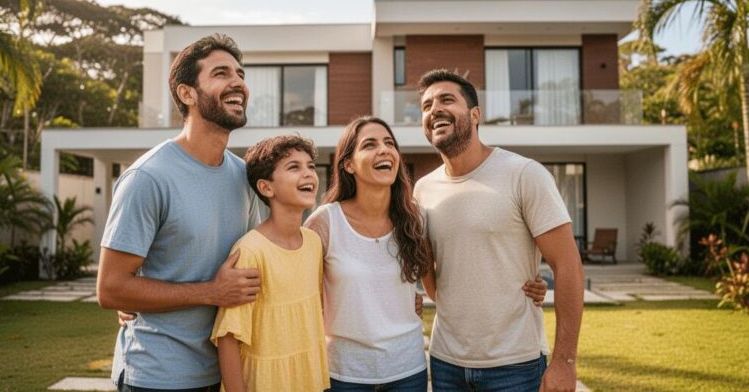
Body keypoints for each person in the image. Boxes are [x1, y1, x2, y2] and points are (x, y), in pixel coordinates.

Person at [305, 116, 548, 391]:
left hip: (408, 372)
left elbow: (449, 268)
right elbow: (304, 297)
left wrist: (522, 282)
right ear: (348, 164)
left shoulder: (415, 218)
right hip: (345, 373)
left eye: (389, 143)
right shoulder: (325, 222)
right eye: (369, 145)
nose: (384, 150)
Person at [96, 34, 262, 392]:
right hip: (156, 375)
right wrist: (210, 292)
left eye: (240, 74)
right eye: (221, 73)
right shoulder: (148, 177)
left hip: (219, 370)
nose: (237, 82)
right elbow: (110, 288)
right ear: (187, 93)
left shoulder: (243, 177)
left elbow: (251, 269)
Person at [413, 69, 585, 392]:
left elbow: (568, 266)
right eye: (426, 105)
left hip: (515, 365)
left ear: (475, 115)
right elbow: (433, 281)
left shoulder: (524, 174)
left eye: (446, 100)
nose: (434, 109)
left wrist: (565, 361)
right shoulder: (422, 190)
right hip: (446, 364)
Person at [212, 135, 329, 392]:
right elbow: (228, 338)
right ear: (266, 188)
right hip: (265, 382)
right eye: (294, 167)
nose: (308, 173)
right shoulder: (250, 251)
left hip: (306, 381)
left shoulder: (313, 243)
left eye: (310, 166)